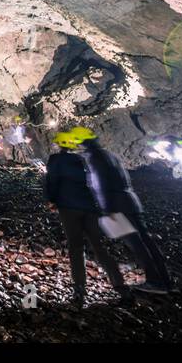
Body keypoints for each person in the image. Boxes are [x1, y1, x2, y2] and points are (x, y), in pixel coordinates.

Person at [74, 127, 173, 294]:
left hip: (117, 206)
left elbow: (99, 184)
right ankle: (166, 281)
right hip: (131, 202)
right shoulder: (110, 154)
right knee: (147, 242)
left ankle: (155, 282)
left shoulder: (94, 157)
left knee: (137, 245)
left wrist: (106, 210)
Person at [45, 129, 131, 307]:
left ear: (60, 144)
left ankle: (79, 290)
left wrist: (51, 200)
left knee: (76, 248)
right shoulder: (82, 159)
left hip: (68, 208)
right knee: (100, 248)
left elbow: (52, 181)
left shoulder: (55, 160)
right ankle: (121, 287)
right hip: (90, 208)